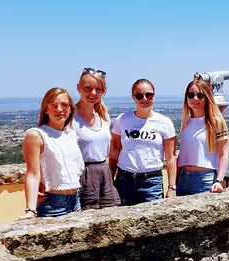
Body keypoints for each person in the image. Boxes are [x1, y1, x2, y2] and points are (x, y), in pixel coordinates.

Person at [110, 79, 177, 205]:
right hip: (124, 180)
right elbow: (115, 151)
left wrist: (172, 187)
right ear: (133, 97)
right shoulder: (122, 120)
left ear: (154, 96)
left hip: (152, 182)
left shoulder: (165, 122)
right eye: (139, 96)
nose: (145, 99)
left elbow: (170, 157)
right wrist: (110, 178)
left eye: (149, 95)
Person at [21, 88, 84, 218]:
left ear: (71, 109)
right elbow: (32, 174)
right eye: (54, 105)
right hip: (53, 204)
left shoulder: (71, 134)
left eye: (64, 105)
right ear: (46, 109)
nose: (60, 109)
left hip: (76, 201)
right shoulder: (36, 135)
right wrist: (30, 210)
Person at [74, 68, 120, 209]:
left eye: (98, 89)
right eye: (88, 88)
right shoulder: (70, 116)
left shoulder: (103, 115)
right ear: (78, 88)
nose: (93, 93)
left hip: (104, 171)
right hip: (82, 174)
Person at [176, 75, 229, 195]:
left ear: (207, 98)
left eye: (200, 95)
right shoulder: (186, 122)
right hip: (183, 178)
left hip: (205, 179)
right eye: (191, 95)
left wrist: (219, 181)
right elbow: (182, 154)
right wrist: (173, 183)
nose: (195, 99)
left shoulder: (215, 122)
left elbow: (223, 153)